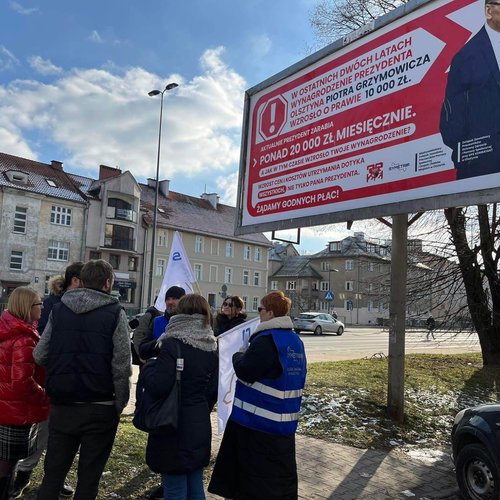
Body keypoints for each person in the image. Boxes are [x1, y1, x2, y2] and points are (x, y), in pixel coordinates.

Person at [33, 259, 132, 500]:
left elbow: (39, 354)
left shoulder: (59, 310)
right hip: (100, 406)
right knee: (89, 477)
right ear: (107, 283)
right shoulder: (115, 313)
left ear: (82, 280)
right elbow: (121, 364)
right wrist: (120, 403)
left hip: (63, 403)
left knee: (53, 474)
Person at [208, 291, 307, 500]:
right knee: (278, 482)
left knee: (254, 484)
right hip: (283, 424)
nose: (259, 312)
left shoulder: (267, 340)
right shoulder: (294, 341)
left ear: (270, 313)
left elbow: (246, 371)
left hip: (255, 425)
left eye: (261, 309)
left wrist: (238, 356)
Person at [11, 262, 84, 499]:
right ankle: (22, 475)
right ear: (75, 280)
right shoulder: (53, 306)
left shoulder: (81, 306)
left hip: (69, 383)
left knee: (62, 436)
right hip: (47, 383)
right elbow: (39, 347)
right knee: (40, 433)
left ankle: (55, 478)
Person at [141, 294, 218, 500]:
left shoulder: (172, 342)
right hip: (199, 420)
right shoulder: (211, 344)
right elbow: (213, 389)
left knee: (174, 486)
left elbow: (159, 385)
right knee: (194, 483)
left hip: (173, 423)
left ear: (180, 312)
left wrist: (148, 368)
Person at [440, 0, 500, 180]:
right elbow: (452, 120)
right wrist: (472, 155)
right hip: (482, 168)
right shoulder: (466, 57)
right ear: (489, 11)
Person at [0, 287, 49, 500]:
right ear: (28, 307)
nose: (42, 307)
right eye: (39, 303)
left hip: (4, 407)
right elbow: (23, 384)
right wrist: (46, 397)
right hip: (15, 412)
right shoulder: (24, 339)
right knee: (7, 466)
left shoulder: (7, 329)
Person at [139, 286, 186, 361]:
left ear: (183, 301)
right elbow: (143, 350)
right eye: (168, 299)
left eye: (174, 298)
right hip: (161, 368)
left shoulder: (188, 322)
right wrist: (160, 342)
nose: (170, 302)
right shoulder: (157, 321)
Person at [37, 261, 84, 334]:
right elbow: (42, 331)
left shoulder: (84, 303)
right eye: (86, 280)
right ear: (75, 280)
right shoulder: (51, 303)